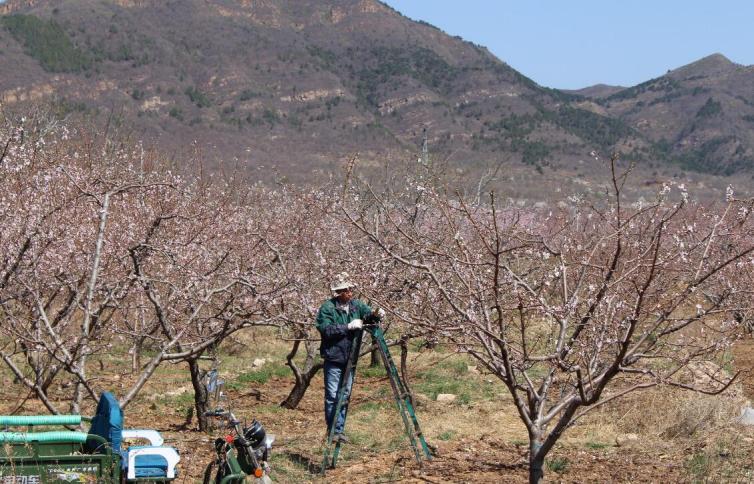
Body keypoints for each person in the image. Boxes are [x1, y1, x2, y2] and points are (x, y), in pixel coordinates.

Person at [316, 272, 373, 443]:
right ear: (339, 292)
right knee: (332, 395)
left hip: (350, 357)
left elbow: (368, 314)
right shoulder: (328, 308)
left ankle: (339, 429)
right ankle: (332, 429)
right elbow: (326, 329)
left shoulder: (356, 306)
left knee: (345, 394)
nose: (350, 293)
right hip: (333, 357)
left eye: (350, 290)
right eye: (346, 290)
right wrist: (347, 326)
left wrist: (376, 315)